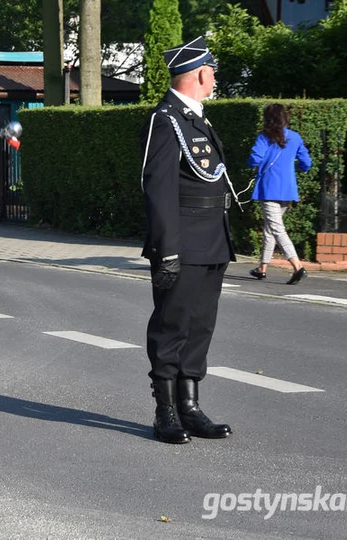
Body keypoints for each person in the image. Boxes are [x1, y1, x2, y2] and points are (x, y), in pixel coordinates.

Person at [140, 36, 235, 445]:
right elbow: (158, 189)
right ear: (200, 72)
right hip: (183, 244)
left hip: (212, 241)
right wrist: (168, 250)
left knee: (200, 325)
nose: (214, 77)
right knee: (172, 325)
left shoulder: (197, 118)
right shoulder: (167, 119)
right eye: (212, 70)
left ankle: (191, 406)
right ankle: (165, 411)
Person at [248, 104, 312, 285]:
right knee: (270, 228)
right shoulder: (295, 137)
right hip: (287, 190)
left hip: (269, 189)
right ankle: (262, 268)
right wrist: (296, 167)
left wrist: (254, 166)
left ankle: (297, 266)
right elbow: (306, 163)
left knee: (277, 229)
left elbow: (254, 158)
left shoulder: (264, 137)